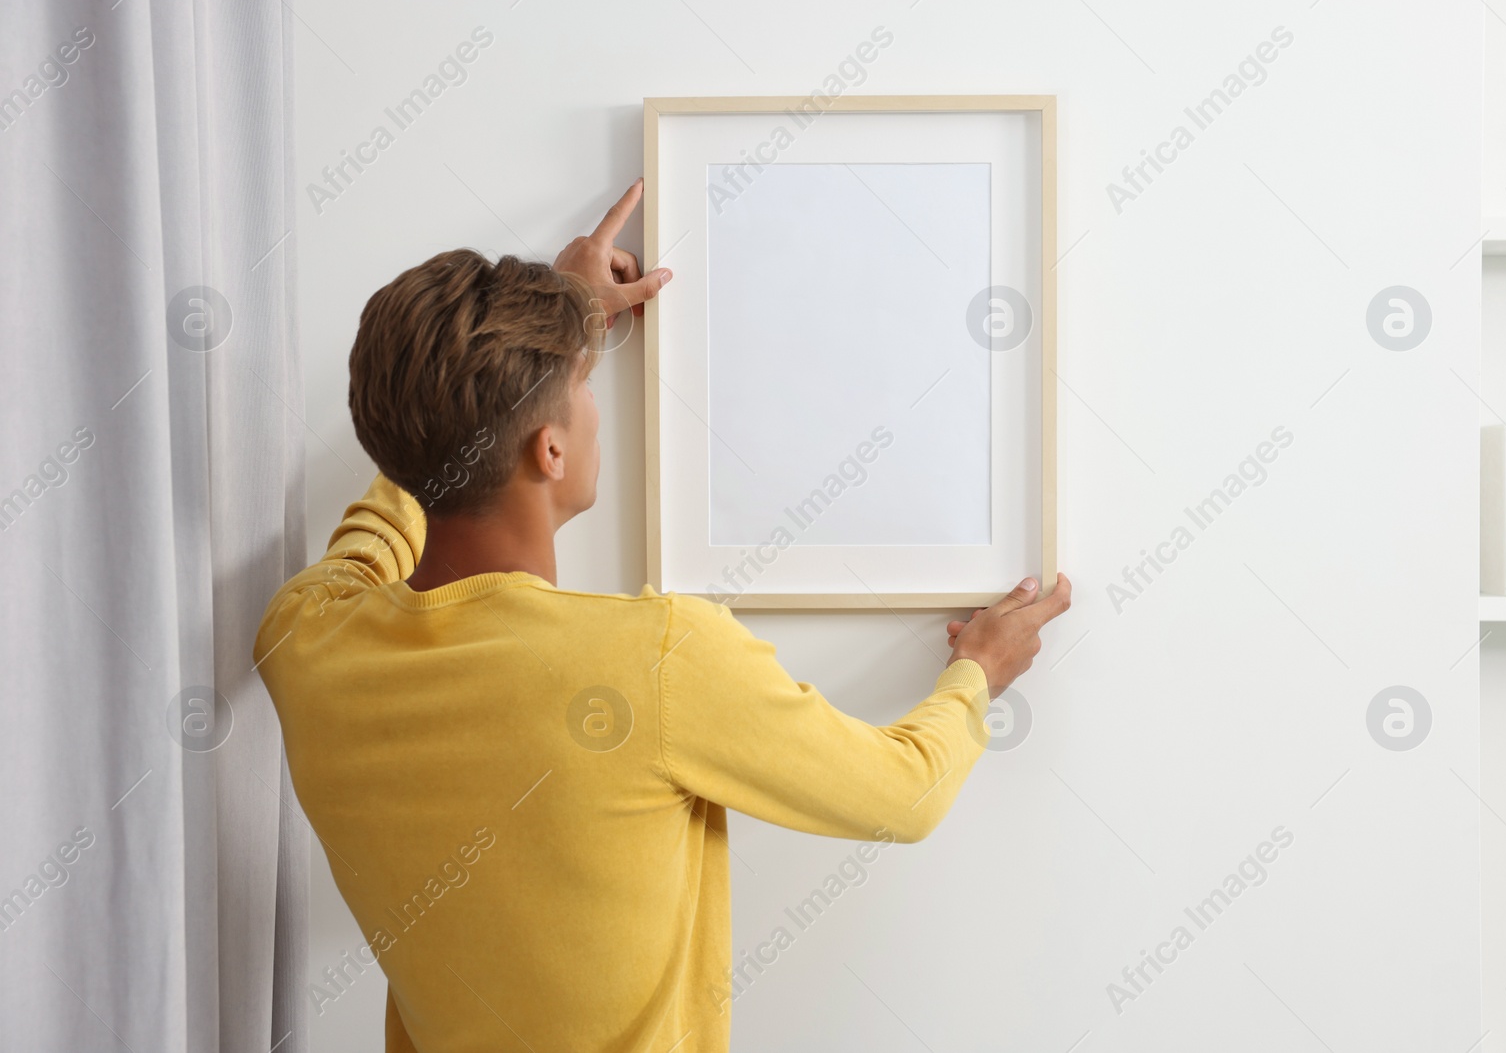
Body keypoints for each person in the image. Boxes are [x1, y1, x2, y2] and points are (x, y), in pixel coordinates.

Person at [254, 180, 1072, 1053]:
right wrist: (978, 668)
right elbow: (904, 793)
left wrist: (550, 341)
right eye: (583, 390)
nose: (593, 403)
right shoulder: (655, 660)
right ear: (551, 447)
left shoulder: (307, 641)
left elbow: (397, 504)